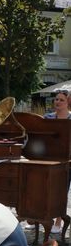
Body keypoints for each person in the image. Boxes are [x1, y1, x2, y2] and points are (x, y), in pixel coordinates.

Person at [44, 90, 71, 234]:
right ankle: (43, 217)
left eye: (61, 100)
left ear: (68, 103)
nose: (58, 102)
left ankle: (59, 220)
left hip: (67, 160)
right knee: (47, 190)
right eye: (56, 99)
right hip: (50, 159)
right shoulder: (47, 118)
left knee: (62, 190)